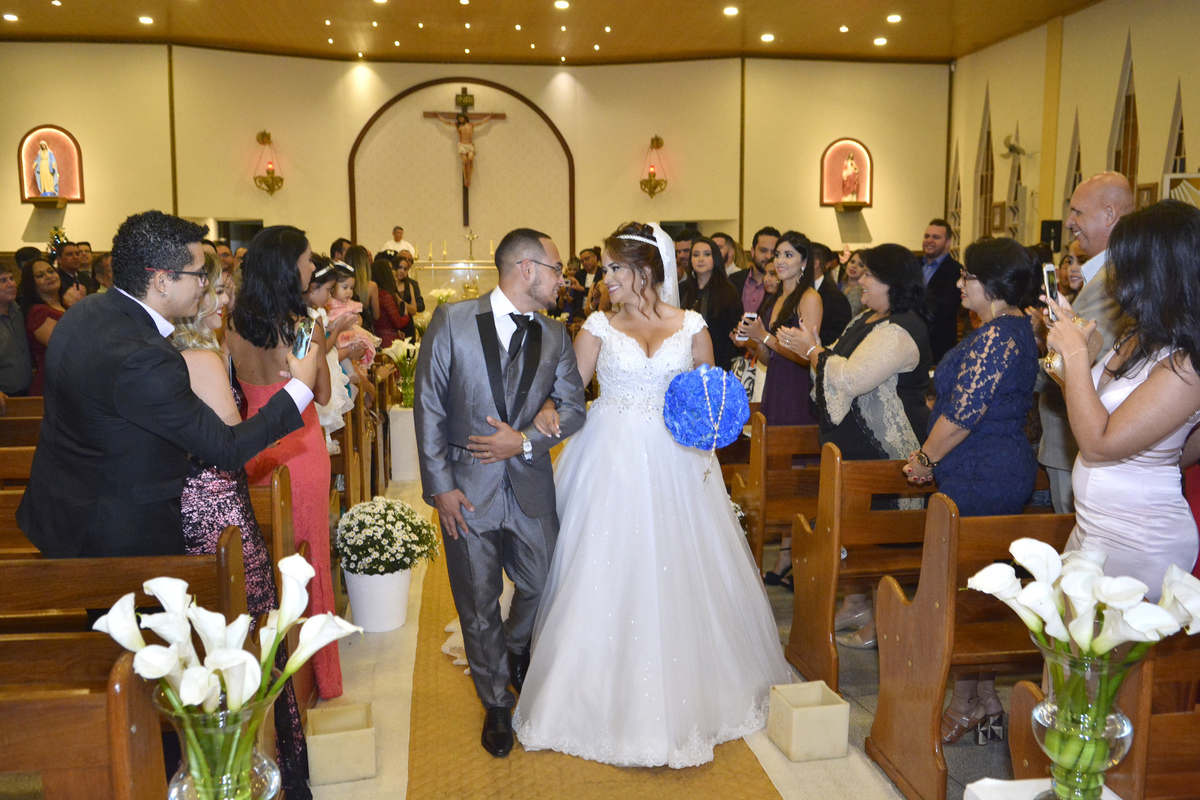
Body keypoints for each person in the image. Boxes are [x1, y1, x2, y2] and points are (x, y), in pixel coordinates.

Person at [513, 221, 793, 768]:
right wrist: (545, 410)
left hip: (676, 462)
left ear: (645, 271)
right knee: (601, 565)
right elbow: (567, 395)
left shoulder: (692, 325)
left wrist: (716, 419)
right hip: (609, 457)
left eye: (615, 268)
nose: (605, 277)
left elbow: (710, 396)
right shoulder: (596, 325)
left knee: (683, 569)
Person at [17, 210, 319, 558]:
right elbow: (227, 449)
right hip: (118, 533)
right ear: (162, 281)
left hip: (63, 515)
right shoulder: (145, 356)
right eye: (198, 275)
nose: (204, 284)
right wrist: (300, 388)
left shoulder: (85, 313)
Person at [414, 228, 587, 758]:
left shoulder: (557, 335)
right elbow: (429, 407)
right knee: (477, 600)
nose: (565, 279)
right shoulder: (452, 322)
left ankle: (513, 650)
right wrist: (440, 487)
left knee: (542, 582)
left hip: (531, 486)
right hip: (466, 491)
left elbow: (575, 407)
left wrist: (527, 439)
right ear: (528, 269)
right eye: (557, 269)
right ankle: (495, 703)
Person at [172, 251, 312, 800]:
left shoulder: (194, 350)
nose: (228, 300)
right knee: (246, 638)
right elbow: (231, 447)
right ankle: (252, 773)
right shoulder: (201, 359)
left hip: (200, 502)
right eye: (218, 291)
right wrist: (294, 389)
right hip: (219, 510)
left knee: (229, 637)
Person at [902, 237, 1041, 744]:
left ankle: (965, 702)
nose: (960, 283)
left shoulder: (998, 336)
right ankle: (983, 698)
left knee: (963, 586)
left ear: (994, 283)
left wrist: (924, 459)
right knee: (985, 580)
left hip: (981, 469)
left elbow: (963, 414)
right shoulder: (1016, 329)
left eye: (968, 276)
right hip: (998, 465)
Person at [1048, 199, 1200, 597]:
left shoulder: (1187, 365)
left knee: (1102, 654)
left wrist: (1078, 356)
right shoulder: (1141, 337)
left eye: (1126, 259)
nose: (1116, 272)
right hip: (1094, 526)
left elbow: (1098, 445)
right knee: (1062, 648)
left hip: (1140, 538)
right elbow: (1093, 413)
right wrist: (1078, 350)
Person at [228, 225, 342, 699]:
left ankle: (274, 664)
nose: (313, 268)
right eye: (308, 260)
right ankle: (317, 676)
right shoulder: (301, 325)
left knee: (271, 553)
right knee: (309, 554)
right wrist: (324, 344)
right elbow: (317, 391)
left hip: (253, 443)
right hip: (298, 444)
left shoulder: (232, 323)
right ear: (286, 265)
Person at [785, 243, 932, 610]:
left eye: (869, 274)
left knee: (876, 534)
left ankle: (880, 613)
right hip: (852, 445)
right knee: (850, 527)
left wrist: (815, 353)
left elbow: (851, 378)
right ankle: (855, 605)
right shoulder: (864, 318)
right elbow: (834, 356)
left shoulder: (902, 328)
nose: (860, 280)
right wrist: (817, 350)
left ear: (892, 282)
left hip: (884, 449)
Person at [1039, 173, 1135, 513]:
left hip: (1080, 439)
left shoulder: (1113, 279)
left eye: (1077, 212)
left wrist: (1041, 354)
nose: (1069, 222)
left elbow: (1090, 359)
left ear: (1109, 215)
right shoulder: (1103, 274)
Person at [738, 230, 823, 427]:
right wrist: (758, 340)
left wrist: (765, 337)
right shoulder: (776, 299)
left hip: (797, 387)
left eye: (788, 255)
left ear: (804, 262)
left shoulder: (809, 298)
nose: (780, 261)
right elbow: (767, 360)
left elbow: (805, 357)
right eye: (777, 255)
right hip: (775, 384)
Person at [681, 236, 741, 370]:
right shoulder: (683, 289)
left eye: (707, 254)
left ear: (716, 258)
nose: (700, 259)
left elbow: (733, 334)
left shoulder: (728, 292)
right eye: (696, 255)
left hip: (719, 363)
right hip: (685, 362)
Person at [21, 258, 67, 396]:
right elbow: (65, 345)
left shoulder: (67, 306)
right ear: (32, 284)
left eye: (51, 271)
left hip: (72, 380)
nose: (49, 276)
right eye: (40, 275)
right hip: (53, 384)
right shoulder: (38, 312)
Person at [920, 219, 963, 363]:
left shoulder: (956, 271)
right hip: (912, 340)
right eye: (927, 236)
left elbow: (946, 307)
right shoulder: (914, 265)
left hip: (938, 345)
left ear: (948, 242)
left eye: (936, 237)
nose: (929, 241)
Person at [0, 264, 32, 405]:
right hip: (4, 397)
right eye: (3, 281)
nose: (12, 284)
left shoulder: (17, 310)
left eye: (12, 278)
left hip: (26, 390)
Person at [810, 242, 853, 346]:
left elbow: (840, 333)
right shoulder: (797, 289)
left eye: (802, 260)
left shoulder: (835, 297)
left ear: (815, 264)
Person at [731, 226, 779, 316]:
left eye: (774, 252)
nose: (768, 256)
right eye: (763, 251)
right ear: (752, 252)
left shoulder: (782, 285)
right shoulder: (734, 279)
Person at [371, 257, 409, 348]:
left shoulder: (377, 292)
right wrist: (406, 316)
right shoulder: (385, 296)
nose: (394, 271)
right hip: (388, 340)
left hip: (379, 336)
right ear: (385, 272)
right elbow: (398, 322)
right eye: (391, 268)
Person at [343, 245, 379, 333]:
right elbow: (376, 316)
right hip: (365, 331)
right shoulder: (371, 286)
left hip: (346, 329)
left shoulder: (342, 285)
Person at [394, 249, 425, 339]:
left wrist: (400, 302)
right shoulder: (388, 285)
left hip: (408, 326)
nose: (402, 271)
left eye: (405, 268)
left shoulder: (411, 285)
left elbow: (418, 308)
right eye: (400, 267)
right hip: (393, 327)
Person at [842, 248, 866, 316]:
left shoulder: (858, 290)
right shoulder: (844, 285)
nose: (854, 266)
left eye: (861, 265)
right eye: (852, 262)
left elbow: (852, 318)